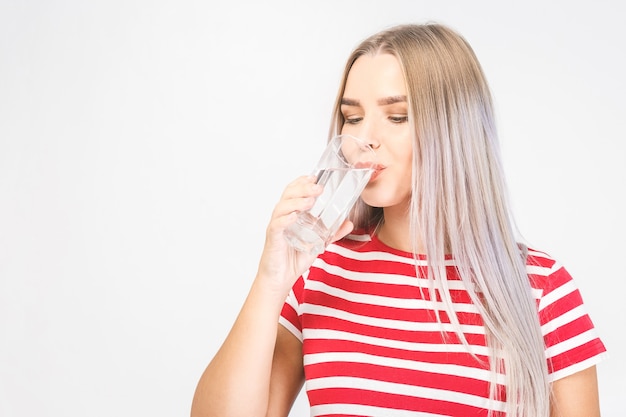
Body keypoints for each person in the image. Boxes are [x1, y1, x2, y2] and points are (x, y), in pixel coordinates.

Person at [190, 23, 607, 417]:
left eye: (397, 116)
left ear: (453, 129)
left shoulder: (540, 288)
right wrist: (270, 281)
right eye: (353, 117)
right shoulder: (320, 274)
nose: (366, 137)